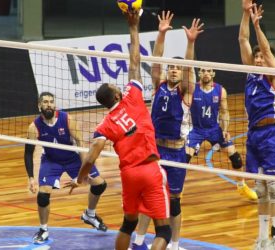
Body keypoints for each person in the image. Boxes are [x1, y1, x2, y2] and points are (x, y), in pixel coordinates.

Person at [67, 10, 171, 250]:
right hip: (150, 168)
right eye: (117, 87)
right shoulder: (132, 97)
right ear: (116, 95)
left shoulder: (104, 125)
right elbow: (135, 61)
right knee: (163, 229)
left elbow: (92, 156)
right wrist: (133, 27)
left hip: (129, 175)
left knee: (128, 224)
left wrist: (80, 179)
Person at [132, 11, 203, 250]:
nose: (173, 70)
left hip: (177, 154)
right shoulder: (158, 85)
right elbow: (156, 60)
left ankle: (174, 244)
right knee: (147, 197)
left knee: (174, 203)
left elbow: (189, 68)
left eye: (176, 68)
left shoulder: (186, 92)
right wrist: (161, 34)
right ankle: (139, 241)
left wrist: (190, 42)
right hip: (155, 151)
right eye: (170, 67)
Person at [25, 92, 108, 244]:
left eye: (51, 101)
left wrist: (83, 173)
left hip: (72, 158)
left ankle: (90, 214)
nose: (49, 104)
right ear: (39, 106)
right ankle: (43, 230)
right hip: (51, 161)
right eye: (45, 102)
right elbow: (28, 153)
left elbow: (81, 144)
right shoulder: (34, 127)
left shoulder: (67, 119)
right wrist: (31, 178)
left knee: (100, 185)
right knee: (43, 195)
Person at [239, 1, 275, 249]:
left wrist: (258, 26)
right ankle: (262, 237)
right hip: (253, 134)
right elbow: (242, 39)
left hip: (271, 134)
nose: (258, 59)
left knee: (274, 187)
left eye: (260, 57)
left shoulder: (274, 73)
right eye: (255, 57)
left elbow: (267, 51)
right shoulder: (250, 73)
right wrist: (245, 14)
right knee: (260, 188)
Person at [185, 67, 258, 201]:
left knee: (235, 157)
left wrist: (225, 129)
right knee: (184, 159)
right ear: (199, 73)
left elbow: (225, 112)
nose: (206, 73)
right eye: (203, 70)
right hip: (196, 130)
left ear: (213, 73)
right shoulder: (192, 89)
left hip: (214, 129)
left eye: (209, 70)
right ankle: (175, 191)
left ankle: (241, 185)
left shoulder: (220, 90)